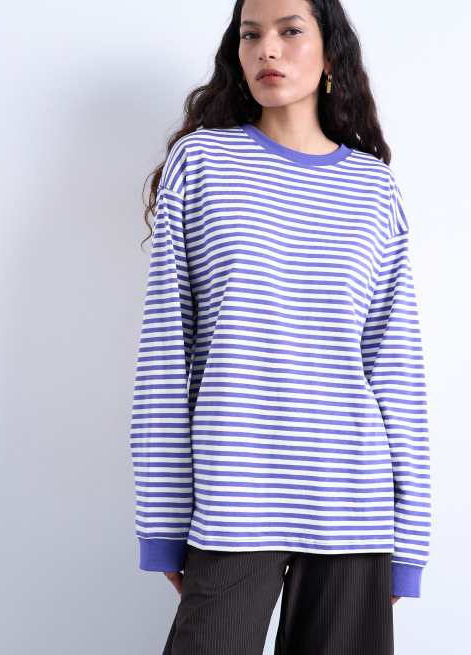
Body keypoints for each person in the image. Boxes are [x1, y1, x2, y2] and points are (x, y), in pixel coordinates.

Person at [129, 1, 432, 653]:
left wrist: (408, 542)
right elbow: (164, 354)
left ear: (330, 54)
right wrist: (163, 521)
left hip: (353, 503)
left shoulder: (373, 188)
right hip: (233, 496)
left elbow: (395, 367)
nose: (267, 48)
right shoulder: (201, 164)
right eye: (250, 35)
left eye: (290, 31)